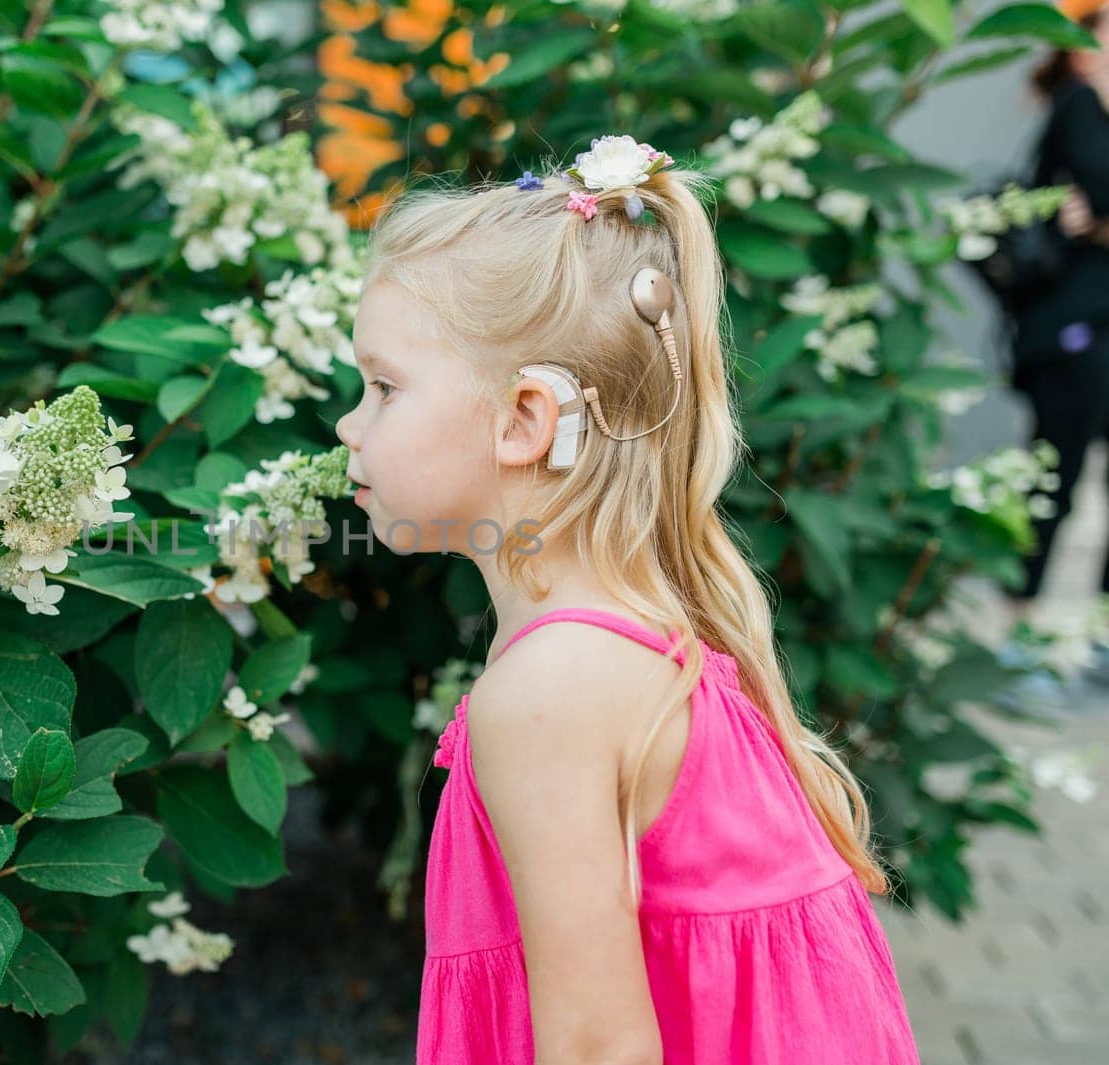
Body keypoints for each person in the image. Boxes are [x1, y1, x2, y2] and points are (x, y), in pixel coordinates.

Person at [334, 139, 919, 1064]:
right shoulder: (625, 641)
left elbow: (598, 1045)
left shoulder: (550, 692)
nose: (348, 424)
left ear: (525, 418)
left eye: (382, 387)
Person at [1005, 0, 1109, 625]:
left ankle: (1099, 636)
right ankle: (1020, 621)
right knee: (1053, 477)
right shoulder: (1079, 108)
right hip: (1074, 326)